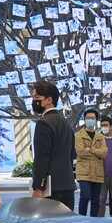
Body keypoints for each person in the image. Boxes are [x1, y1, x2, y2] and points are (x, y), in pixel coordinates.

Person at [30, 80, 76, 209]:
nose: (34, 101)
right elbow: (72, 153)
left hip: (51, 189)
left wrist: (38, 187)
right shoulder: (66, 123)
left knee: (46, 222)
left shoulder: (44, 123)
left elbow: (42, 158)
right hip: (68, 185)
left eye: (37, 97)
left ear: (49, 100)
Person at [74, 107, 107, 217]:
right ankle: (81, 219)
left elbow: (104, 154)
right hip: (84, 172)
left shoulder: (100, 136)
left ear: (96, 120)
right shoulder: (78, 135)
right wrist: (97, 152)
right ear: (84, 119)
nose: (90, 120)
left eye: (92, 118)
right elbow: (80, 152)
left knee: (96, 199)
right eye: (88, 118)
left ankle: (94, 221)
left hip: (98, 172)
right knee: (85, 195)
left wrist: (90, 149)